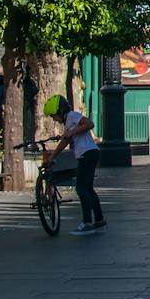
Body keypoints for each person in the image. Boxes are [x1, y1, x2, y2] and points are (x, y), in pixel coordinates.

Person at [41, 95, 104, 235]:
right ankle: (99, 220)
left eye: (54, 116)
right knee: (88, 188)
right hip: (90, 154)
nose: (54, 119)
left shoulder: (72, 116)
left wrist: (71, 132)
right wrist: (52, 157)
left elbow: (89, 124)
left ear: (60, 111)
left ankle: (87, 223)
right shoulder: (69, 122)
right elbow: (64, 142)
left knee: (81, 188)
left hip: (88, 154)